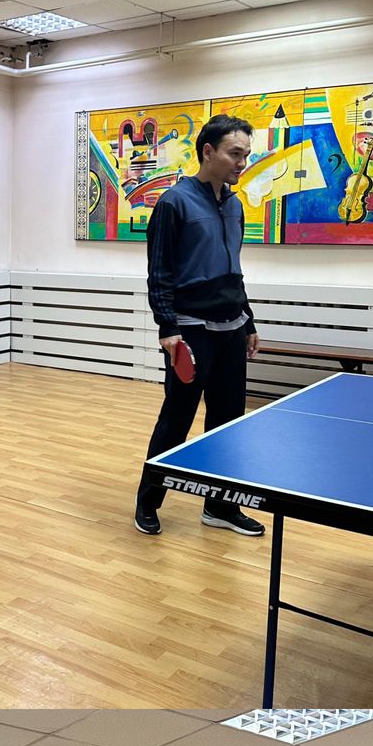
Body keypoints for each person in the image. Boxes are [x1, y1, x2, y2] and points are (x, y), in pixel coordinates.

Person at [134, 114, 264, 539]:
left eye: (246, 153)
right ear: (208, 152)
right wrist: (167, 327)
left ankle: (220, 507)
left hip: (231, 327)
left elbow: (233, 269)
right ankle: (148, 501)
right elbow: (160, 272)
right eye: (234, 153)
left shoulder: (235, 204)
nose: (242, 161)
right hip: (191, 330)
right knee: (177, 419)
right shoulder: (174, 202)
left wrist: (249, 322)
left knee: (227, 422)